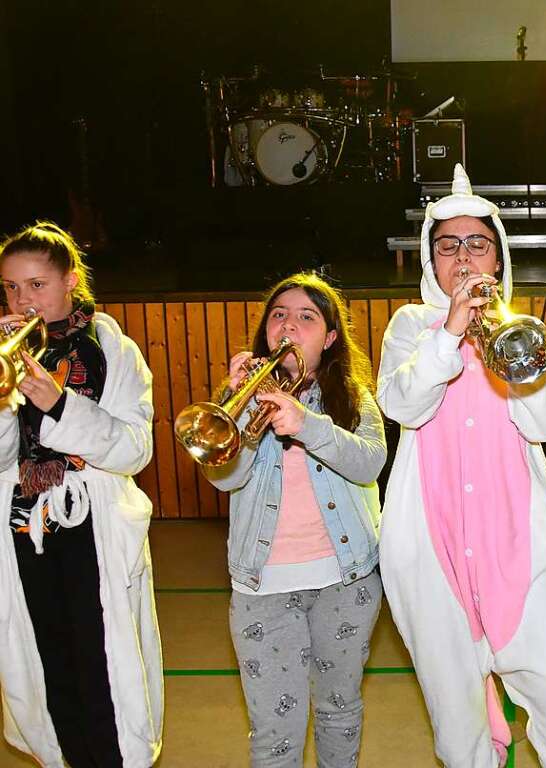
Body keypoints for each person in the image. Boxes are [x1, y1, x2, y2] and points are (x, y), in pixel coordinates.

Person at [377, 164, 546, 767]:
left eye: (478, 243)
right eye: (448, 246)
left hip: (516, 551)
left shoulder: (521, 330)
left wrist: (505, 345)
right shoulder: (411, 328)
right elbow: (402, 405)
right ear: (431, 261)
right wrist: (450, 331)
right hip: (433, 552)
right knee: (458, 725)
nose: (464, 258)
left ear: (498, 259)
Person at [203, 272, 386, 766]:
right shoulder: (245, 397)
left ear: (328, 339)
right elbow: (226, 479)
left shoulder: (352, 396)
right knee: (273, 731)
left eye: (307, 318)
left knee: (339, 709)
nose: (289, 326)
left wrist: (308, 424)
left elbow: (370, 461)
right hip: (263, 585)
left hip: (345, 579)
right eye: (279, 315)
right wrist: (237, 408)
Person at [0, 221, 162, 767]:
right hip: (24, 527)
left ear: (70, 281)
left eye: (36, 285)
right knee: (50, 667)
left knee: (103, 672)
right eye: (10, 287)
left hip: (92, 526)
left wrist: (59, 405)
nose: (23, 301)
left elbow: (135, 449)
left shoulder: (111, 348)